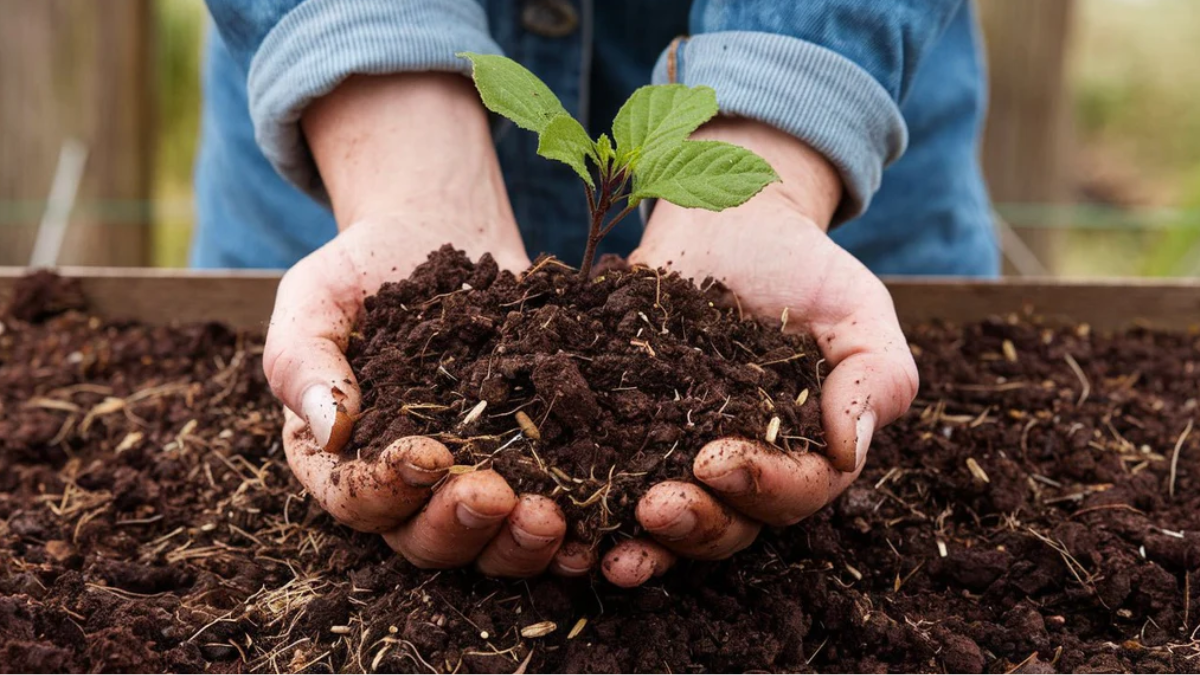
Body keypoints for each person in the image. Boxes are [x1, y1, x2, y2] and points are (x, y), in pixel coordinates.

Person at [197, 0, 996, 587]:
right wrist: (393, 153)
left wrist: (777, 145)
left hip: (845, 96)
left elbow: (754, 173)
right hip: (347, 117)